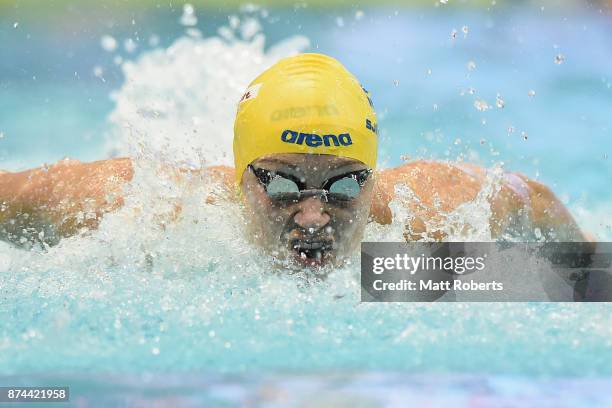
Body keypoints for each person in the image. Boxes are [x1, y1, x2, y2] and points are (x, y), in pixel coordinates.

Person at [0, 53, 590, 267]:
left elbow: (533, 202)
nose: (313, 218)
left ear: (374, 178)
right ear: (239, 176)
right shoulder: (150, 209)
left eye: (343, 185)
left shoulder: (430, 221)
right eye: (280, 183)